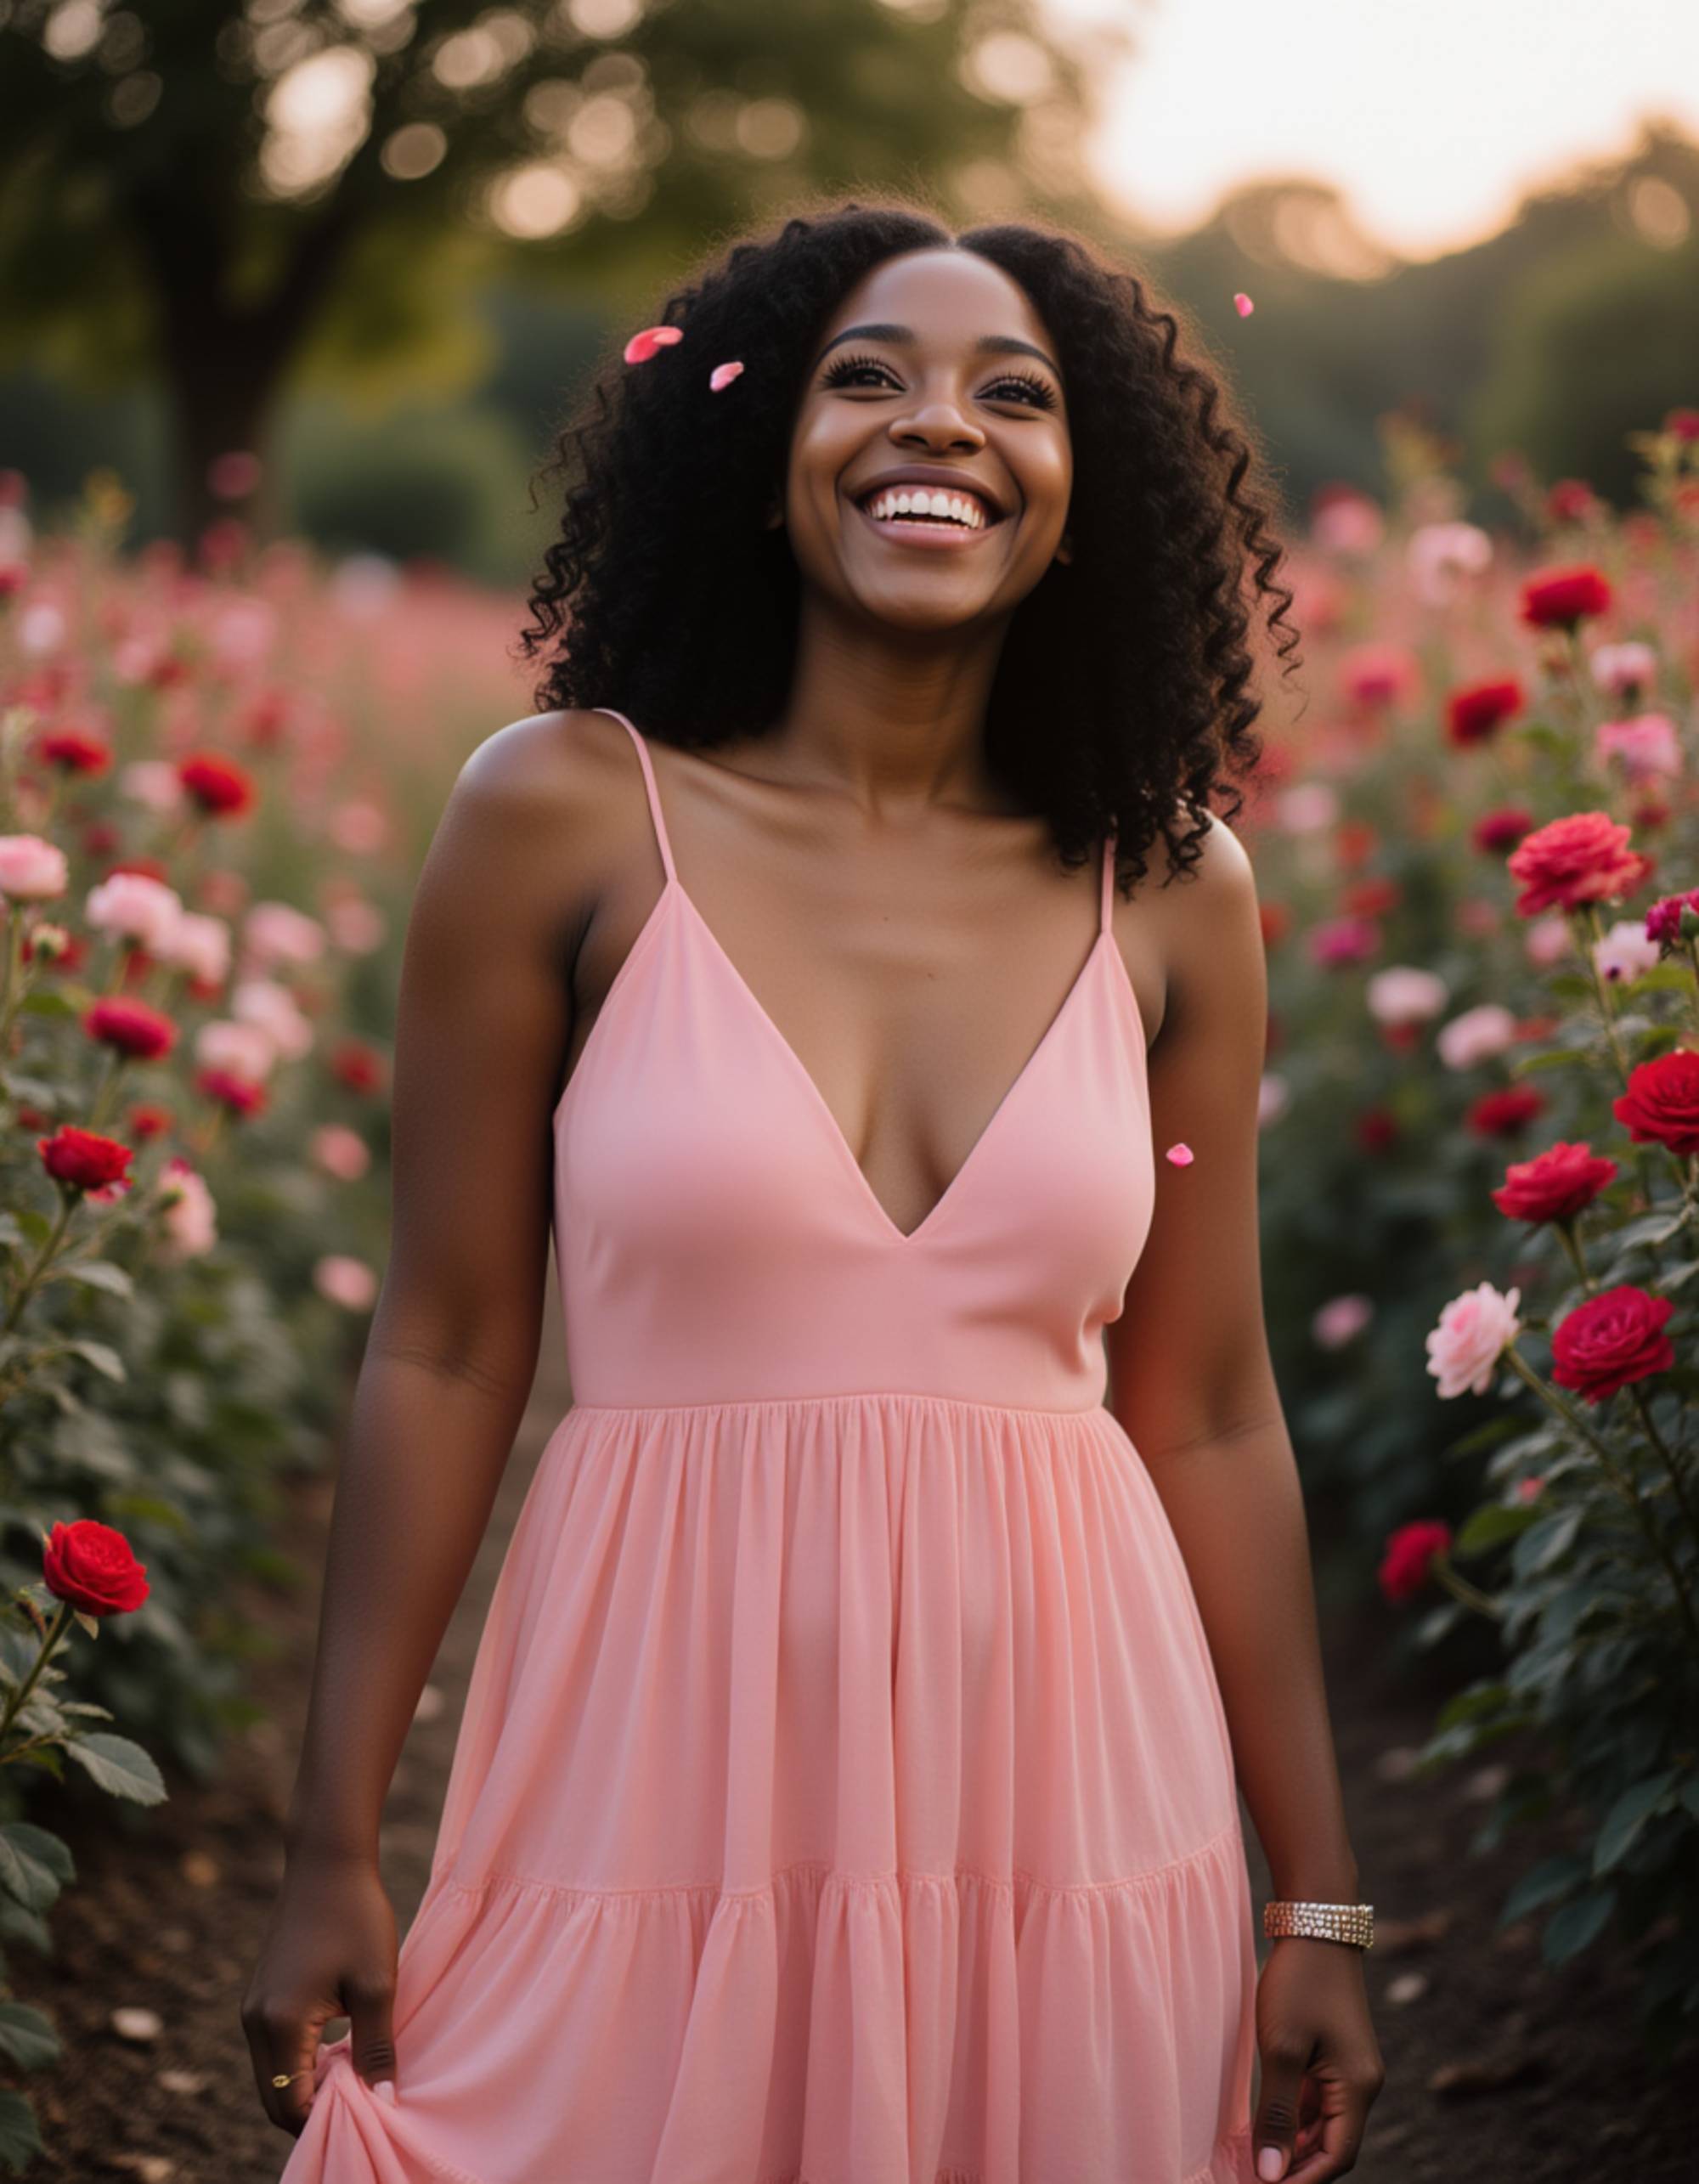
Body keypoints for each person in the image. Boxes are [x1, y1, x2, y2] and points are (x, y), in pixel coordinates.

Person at [244, 195, 1384, 2184]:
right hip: (654, 1749)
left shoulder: (1178, 886)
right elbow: (441, 1347)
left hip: (1070, 1782)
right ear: (759, 464)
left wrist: (1323, 1903)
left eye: (1008, 396)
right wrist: (330, 1842)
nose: (936, 425)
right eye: (868, 378)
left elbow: (1202, 1405)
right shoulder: (563, 812)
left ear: (1076, 494)